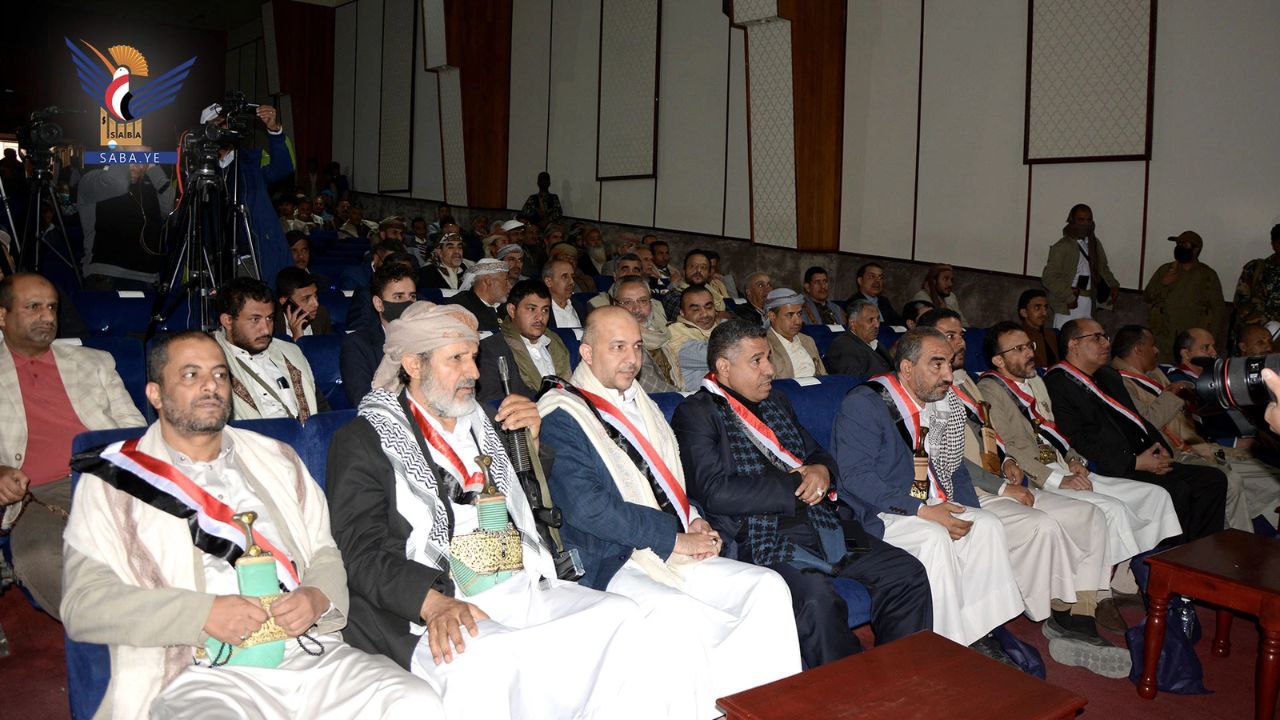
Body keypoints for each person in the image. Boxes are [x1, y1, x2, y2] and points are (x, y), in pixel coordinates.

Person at [324, 303, 691, 718]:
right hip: (435, 596)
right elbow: (360, 551)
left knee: (619, 616)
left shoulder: (489, 422)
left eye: (473, 357)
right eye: (456, 359)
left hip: (517, 580)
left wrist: (531, 445)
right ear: (413, 364)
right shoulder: (362, 440)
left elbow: (534, 503)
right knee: (494, 655)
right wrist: (431, 603)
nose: (473, 372)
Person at [63, 331, 439, 718]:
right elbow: (83, 603)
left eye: (220, 374)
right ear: (155, 394)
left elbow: (324, 551)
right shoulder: (112, 481)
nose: (211, 385)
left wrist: (316, 596)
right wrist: (202, 614)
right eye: (191, 375)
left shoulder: (277, 457)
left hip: (308, 653)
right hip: (198, 670)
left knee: (414, 702)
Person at [537, 307, 803, 713]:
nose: (632, 359)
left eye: (637, 347)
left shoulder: (639, 401)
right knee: (679, 616)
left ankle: (766, 708)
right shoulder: (561, 413)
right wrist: (674, 537)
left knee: (767, 588)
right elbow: (589, 509)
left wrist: (692, 516)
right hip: (612, 558)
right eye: (617, 347)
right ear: (586, 353)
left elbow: (664, 482)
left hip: (666, 544)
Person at [673, 319, 932, 668]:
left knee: (905, 571)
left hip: (827, 526)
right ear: (724, 366)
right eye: (757, 361)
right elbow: (714, 492)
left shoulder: (777, 400)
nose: (770, 369)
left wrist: (822, 471)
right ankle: (851, 689)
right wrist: (795, 485)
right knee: (816, 599)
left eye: (769, 357)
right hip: (764, 539)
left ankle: (904, 675)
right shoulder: (697, 413)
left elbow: (818, 454)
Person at [917, 310, 1130, 676]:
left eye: (960, 334)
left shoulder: (966, 382)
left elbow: (990, 435)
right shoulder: (930, 388)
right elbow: (944, 460)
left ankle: (1079, 615)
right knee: (1042, 526)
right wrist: (1000, 484)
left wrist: (1009, 460)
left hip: (1000, 477)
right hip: (971, 489)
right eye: (948, 336)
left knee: (1090, 516)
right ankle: (1056, 615)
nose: (960, 342)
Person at [977, 321, 1181, 631]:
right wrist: (1057, 479)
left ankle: (1124, 580)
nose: (1029, 352)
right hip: (1040, 477)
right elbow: (1008, 450)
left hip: (1063, 465)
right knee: (1110, 510)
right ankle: (1100, 594)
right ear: (998, 360)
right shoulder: (990, 390)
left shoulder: (1036, 381)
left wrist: (1073, 458)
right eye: (1018, 349)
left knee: (1155, 496)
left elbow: (1057, 432)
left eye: (1029, 346)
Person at [831, 328, 1024, 653]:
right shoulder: (865, 403)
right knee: (933, 536)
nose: (948, 375)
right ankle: (945, 643)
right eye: (937, 364)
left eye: (949, 363)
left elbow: (952, 467)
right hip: (878, 512)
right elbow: (856, 478)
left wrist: (961, 509)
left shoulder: (935, 402)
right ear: (907, 368)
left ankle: (981, 633)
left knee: (987, 526)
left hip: (925, 501)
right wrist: (921, 510)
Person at [0, 273, 145, 618]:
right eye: (33, 307)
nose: (47, 316)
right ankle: (116, 628)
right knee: (39, 556)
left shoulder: (95, 362)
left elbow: (135, 427)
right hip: (39, 494)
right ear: (2, 316)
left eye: (52, 307)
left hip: (111, 475)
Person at [1043, 319, 1227, 543]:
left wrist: (1160, 449)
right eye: (1097, 338)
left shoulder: (1108, 375)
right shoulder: (1056, 384)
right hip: (1109, 465)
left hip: (1140, 456)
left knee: (1213, 479)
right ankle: (1171, 557)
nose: (1106, 343)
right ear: (1073, 344)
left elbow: (1136, 420)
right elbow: (1075, 440)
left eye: (1105, 337)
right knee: (1175, 490)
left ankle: (1199, 551)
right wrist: (1134, 462)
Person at [1110, 325, 1278, 531]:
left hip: (1197, 445)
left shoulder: (1154, 373)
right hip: (1175, 452)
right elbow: (1146, 425)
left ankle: (1262, 536)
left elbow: (1192, 417)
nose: (1156, 350)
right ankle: (1239, 542)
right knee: (1229, 482)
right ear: (1138, 349)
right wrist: (1174, 393)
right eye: (1152, 345)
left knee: (1271, 478)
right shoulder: (1120, 382)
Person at [202, 103, 297, 287]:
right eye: (218, 125)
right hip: (214, 262)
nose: (224, 129)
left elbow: (283, 168)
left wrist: (274, 131)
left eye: (227, 123)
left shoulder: (251, 161)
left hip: (251, 257)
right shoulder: (200, 169)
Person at [214, 278, 328, 421]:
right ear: (228, 321)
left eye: (269, 318)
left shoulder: (291, 353)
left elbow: (322, 412)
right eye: (255, 319)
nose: (266, 330)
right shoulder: (209, 362)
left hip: (305, 433)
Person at [75, 153, 174, 289]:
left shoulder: (149, 188)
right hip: (106, 275)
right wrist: (124, 148)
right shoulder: (93, 179)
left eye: (141, 157)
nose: (135, 162)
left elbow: (172, 208)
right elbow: (118, 183)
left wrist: (153, 168)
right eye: (129, 155)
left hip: (148, 278)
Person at [1143, 231, 1226, 362]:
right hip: (1163, 338)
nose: (1180, 247)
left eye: (1185, 245)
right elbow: (1147, 296)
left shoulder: (1208, 275)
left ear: (1196, 250)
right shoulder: (1165, 270)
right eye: (1178, 244)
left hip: (1192, 341)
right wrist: (1163, 283)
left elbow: (1218, 309)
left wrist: (1209, 341)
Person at [341, 264, 417, 406]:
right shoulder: (357, 344)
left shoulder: (426, 339)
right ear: (378, 304)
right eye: (398, 296)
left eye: (412, 296)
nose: (408, 304)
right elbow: (363, 399)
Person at [1042, 204, 1120, 328]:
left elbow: (1103, 268)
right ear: (1072, 221)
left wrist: (1113, 284)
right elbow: (1049, 277)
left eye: (1089, 220)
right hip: (1069, 306)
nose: (1085, 224)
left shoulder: (1094, 244)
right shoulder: (1063, 246)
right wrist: (1068, 296)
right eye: (1081, 220)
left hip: (1089, 303)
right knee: (1066, 337)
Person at [609, 275, 678, 393]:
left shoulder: (661, 330)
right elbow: (650, 386)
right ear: (615, 305)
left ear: (651, 303)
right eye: (627, 302)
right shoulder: (616, 340)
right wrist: (686, 396)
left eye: (643, 301)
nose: (636, 309)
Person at [499, 279, 571, 391]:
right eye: (532, 309)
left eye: (545, 310)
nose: (540, 317)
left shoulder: (555, 341)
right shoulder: (498, 348)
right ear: (512, 310)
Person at [665, 284, 723, 391]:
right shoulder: (675, 332)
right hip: (696, 397)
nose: (704, 314)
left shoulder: (721, 327)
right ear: (682, 313)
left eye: (708, 307)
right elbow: (718, 355)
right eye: (696, 309)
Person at [765, 288, 826, 380]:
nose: (798, 321)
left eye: (799, 314)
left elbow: (823, 375)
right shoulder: (765, 344)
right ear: (772, 316)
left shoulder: (808, 340)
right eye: (790, 315)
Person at [825, 299, 893, 376]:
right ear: (852, 323)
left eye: (877, 319)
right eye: (870, 320)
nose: (877, 325)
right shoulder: (844, 346)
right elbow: (853, 381)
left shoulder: (875, 342)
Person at [446, 259, 511, 333]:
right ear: (488, 280)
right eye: (506, 280)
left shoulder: (507, 307)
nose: (510, 286)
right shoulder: (458, 308)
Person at [275, 267, 333, 339]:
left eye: (315, 295)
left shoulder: (321, 314)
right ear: (284, 301)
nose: (316, 304)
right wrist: (296, 338)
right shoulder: (273, 324)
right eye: (306, 299)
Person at [847, 262, 902, 327]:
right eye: (872, 276)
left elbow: (899, 322)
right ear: (860, 281)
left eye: (880, 277)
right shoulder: (854, 302)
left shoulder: (884, 301)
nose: (877, 281)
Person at [1017, 289, 1059, 368]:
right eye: (1037, 308)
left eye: (1045, 307)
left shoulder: (1051, 334)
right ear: (1024, 313)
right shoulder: (1018, 338)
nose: (1044, 313)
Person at [542, 259, 588, 330]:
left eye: (572, 276)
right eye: (564, 276)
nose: (572, 281)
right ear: (549, 282)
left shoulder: (581, 305)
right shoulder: (541, 311)